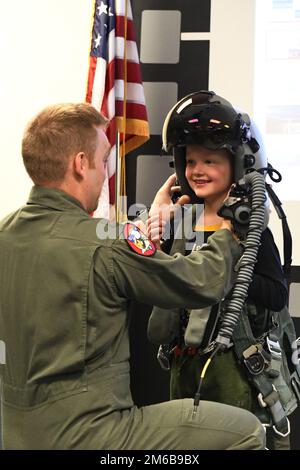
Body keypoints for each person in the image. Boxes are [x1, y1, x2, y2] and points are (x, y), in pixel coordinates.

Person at [0, 103, 265, 450]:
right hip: (91, 433)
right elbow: (201, 281)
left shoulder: (6, 234)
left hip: (14, 431)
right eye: (104, 159)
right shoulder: (108, 244)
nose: (105, 172)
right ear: (81, 164)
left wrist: (148, 224)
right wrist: (231, 234)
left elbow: (92, 254)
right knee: (246, 430)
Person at [147, 91, 291, 450]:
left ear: (237, 164)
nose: (197, 170)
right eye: (191, 160)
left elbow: (276, 293)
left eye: (210, 161)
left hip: (234, 371)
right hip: (184, 366)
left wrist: (227, 275)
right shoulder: (180, 222)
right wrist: (154, 223)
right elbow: (148, 278)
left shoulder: (250, 228)